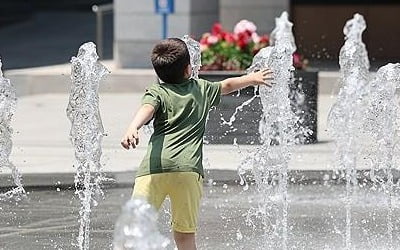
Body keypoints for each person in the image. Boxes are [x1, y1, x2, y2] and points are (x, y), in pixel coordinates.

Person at [121, 38, 273, 250]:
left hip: (153, 170)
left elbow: (148, 107)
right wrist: (252, 78)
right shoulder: (201, 88)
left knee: (136, 231)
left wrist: (133, 127)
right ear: (188, 69)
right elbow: (227, 85)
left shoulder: (157, 92)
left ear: (158, 73)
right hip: (188, 171)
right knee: (184, 236)